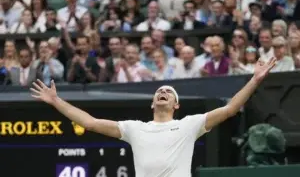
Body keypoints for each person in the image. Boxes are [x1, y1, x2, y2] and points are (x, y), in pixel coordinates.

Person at [30, 57, 277, 177]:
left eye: (168, 92)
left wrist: (254, 79)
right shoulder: (135, 128)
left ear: (176, 104)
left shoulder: (189, 125)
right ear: (152, 103)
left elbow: (230, 109)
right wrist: (56, 100)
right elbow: (89, 123)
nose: (162, 92)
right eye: (159, 91)